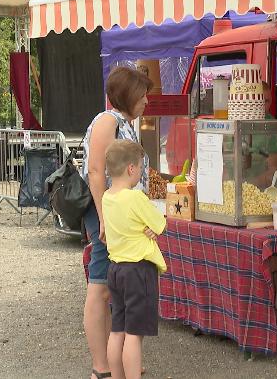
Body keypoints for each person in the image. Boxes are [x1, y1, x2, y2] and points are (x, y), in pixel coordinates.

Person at [81, 66, 151, 379]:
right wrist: (105, 219)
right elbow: (96, 171)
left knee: (115, 289)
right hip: (107, 216)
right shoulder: (107, 120)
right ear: (128, 95)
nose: (147, 100)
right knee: (100, 288)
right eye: (143, 94)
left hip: (122, 219)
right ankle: (101, 369)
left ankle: (116, 364)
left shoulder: (126, 123)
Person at [102, 139, 166, 379]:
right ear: (131, 168)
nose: (140, 171)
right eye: (140, 167)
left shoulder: (107, 197)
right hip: (139, 271)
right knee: (134, 334)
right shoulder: (136, 197)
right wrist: (151, 228)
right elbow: (159, 223)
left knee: (117, 329)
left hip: (116, 270)